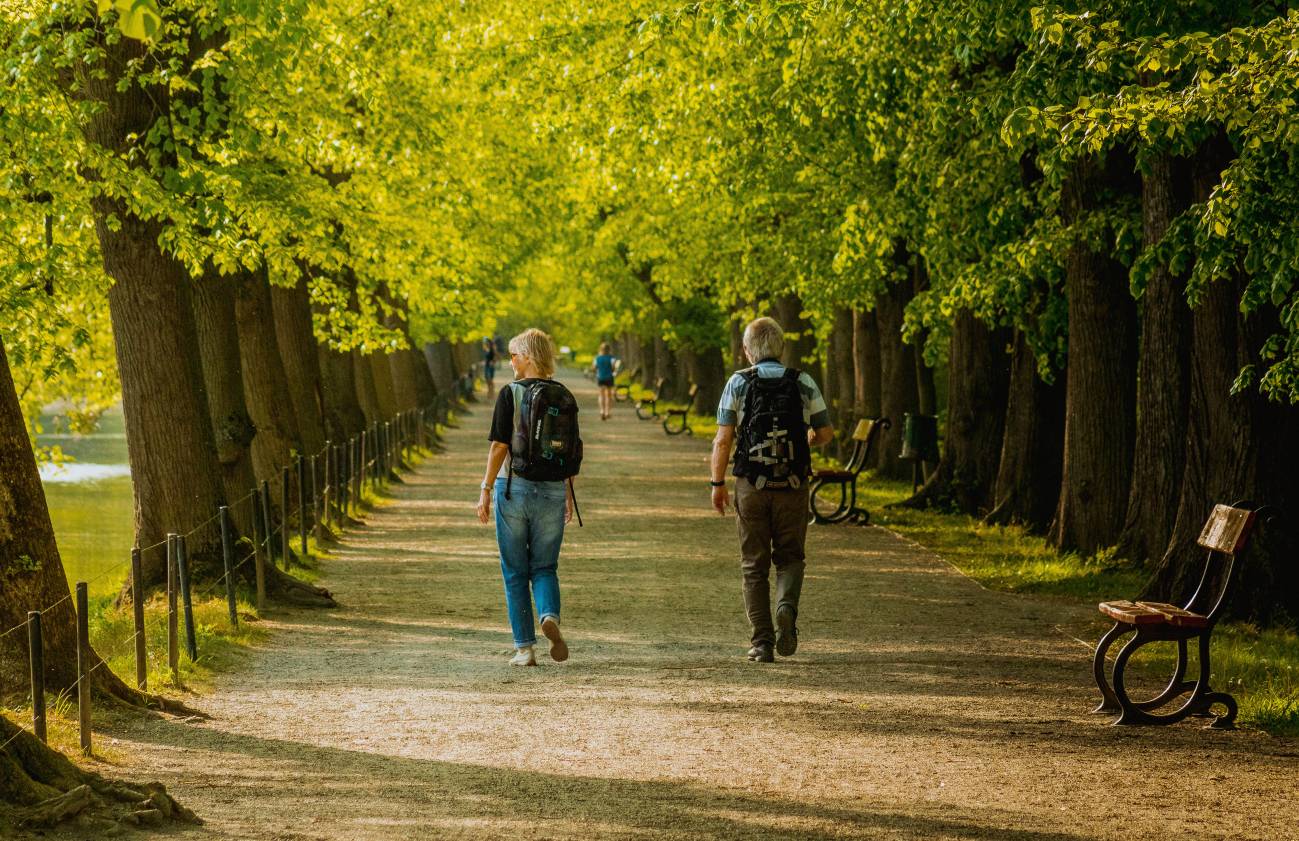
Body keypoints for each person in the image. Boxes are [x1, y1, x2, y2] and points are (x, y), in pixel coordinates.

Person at [709, 317, 834, 663]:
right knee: (791, 557)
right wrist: (807, 437)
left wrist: (717, 483)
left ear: (748, 351)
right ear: (780, 348)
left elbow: (723, 439)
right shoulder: (803, 381)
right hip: (793, 485)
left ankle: (761, 643)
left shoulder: (738, 383)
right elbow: (825, 433)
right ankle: (786, 606)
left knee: (754, 565)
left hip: (752, 485)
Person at [476, 328, 582, 666]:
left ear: (528, 358)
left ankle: (525, 648)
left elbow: (499, 446)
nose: (510, 361)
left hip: (515, 488)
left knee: (515, 572)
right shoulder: (563, 395)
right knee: (545, 567)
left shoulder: (510, 393)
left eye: (514, 355)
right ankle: (549, 614)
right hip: (552, 490)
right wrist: (566, 491)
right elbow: (570, 451)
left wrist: (486, 488)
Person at [591, 342, 619, 421]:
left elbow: (594, 368)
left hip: (601, 378)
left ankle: (602, 411)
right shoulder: (612, 358)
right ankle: (607, 412)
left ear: (601, 349)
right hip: (609, 378)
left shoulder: (597, 358)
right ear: (609, 350)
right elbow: (614, 368)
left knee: (601, 395)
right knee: (609, 395)